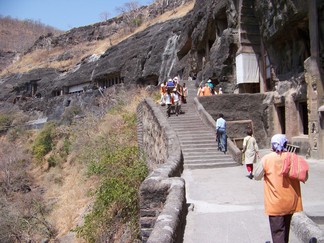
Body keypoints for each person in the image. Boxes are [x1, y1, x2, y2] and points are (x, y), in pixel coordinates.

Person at [254, 134, 304, 243]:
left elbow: (256, 175)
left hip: (275, 203)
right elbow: (304, 175)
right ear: (286, 144)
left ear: (272, 145)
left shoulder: (267, 159)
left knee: (278, 232)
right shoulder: (293, 157)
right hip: (291, 201)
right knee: (285, 231)